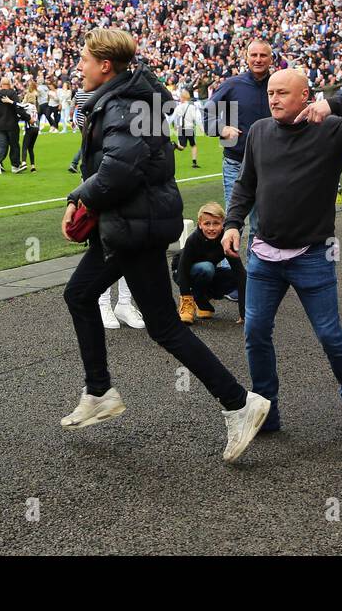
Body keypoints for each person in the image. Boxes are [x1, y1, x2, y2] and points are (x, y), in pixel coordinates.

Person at [59, 28, 269, 463]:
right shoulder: (140, 95)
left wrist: (79, 197)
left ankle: (238, 402)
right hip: (137, 223)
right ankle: (99, 390)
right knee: (83, 296)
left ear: (104, 65)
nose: (77, 67)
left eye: (83, 60)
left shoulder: (124, 102)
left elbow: (121, 170)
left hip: (134, 226)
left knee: (162, 326)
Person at [222, 68, 342, 441]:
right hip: (264, 254)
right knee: (255, 331)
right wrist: (233, 223)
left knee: (329, 334)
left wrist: (336, 104)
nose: (274, 99)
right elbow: (246, 185)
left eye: (282, 93)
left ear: (305, 95)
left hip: (313, 254)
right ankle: (266, 409)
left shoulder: (332, 130)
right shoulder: (260, 131)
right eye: (271, 93)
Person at [207, 39, 272, 241]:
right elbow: (208, 112)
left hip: (270, 164)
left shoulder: (278, 84)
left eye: (263, 55)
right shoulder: (232, 85)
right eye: (254, 55)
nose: (258, 59)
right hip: (236, 163)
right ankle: (228, 270)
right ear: (246, 57)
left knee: (260, 224)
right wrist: (221, 128)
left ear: (271, 59)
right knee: (233, 221)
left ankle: (255, 271)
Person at [177, 202, 244, 324]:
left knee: (239, 276)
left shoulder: (225, 240)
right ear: (200, 224)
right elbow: (182, 269)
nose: (212, 228)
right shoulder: (193, 240)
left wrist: (244, 312)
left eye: (216, 223)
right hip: (182, 272)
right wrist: (185, 295)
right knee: (206, 268)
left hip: (207, 271)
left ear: (223, 224)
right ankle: (188, 302)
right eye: (207, 223)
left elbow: (240, 273)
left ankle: (201, 298)